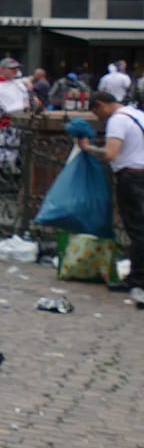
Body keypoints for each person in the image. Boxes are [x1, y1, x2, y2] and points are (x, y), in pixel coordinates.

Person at [79, 91, 144, 304]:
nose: (100, 118)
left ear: (100, 104)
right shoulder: (137, 114)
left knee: (137, 229)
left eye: (97, 113)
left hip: (132, 178)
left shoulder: (117, 121)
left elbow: (110, 154)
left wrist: (88, 148)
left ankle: (137, 278)